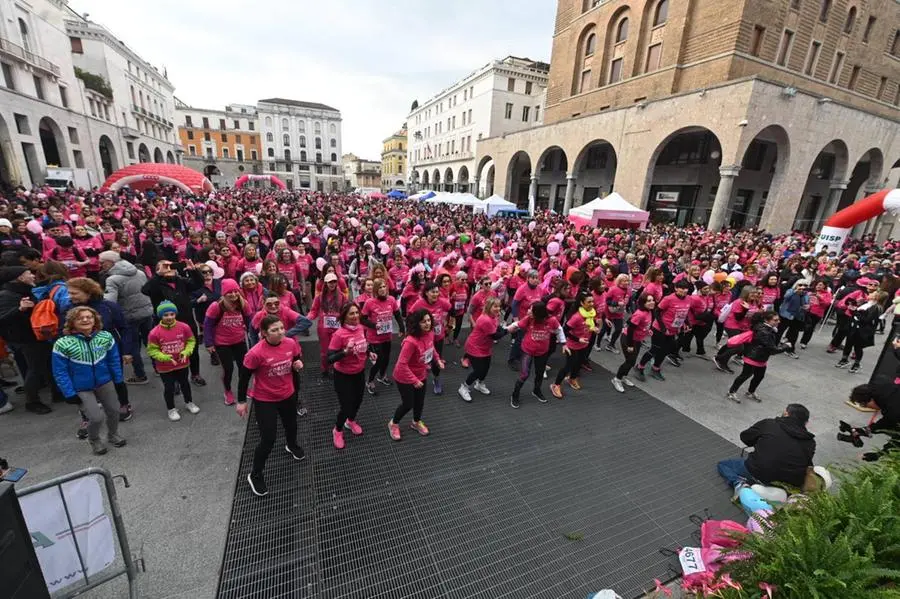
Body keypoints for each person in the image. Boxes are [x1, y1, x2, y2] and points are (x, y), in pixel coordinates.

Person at [236, 315, 305, 497]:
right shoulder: (255, 353)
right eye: (275, 330)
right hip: (265, 399)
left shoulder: (290, 343)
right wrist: (241, 402)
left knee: (292, 426)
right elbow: (244, 378)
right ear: (264, 333)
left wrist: (297, 365)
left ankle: (291, 445)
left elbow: (295, 360)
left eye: (281, 328)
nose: (280, 332)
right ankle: (255, 474)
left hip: (288, 394)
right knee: (268, 438)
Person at [51, 306, 126, 455]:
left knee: (115, 411)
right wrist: (68, 393)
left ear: (95, 319)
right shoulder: (62, 343)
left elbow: (114, 360)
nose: (85, 320)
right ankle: (94, 440)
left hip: (105, 381)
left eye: (89, 317)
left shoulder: (105, 337)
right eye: (80, 318)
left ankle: (112, 435)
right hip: (81, 387)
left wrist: (119, 381)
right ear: (72, 322)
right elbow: (60, 371)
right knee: (96, 417)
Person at [717, 404, 815, 491]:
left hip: (757, 472)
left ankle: (739, 484)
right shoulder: (811, 442)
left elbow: (745, 437)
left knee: (723, 465)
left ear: (786, 413)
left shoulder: (769, 424)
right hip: (787, 484)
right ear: (806, 423)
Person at [141, 259, 206, 386]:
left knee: (192, 349)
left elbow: (198, 284)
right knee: (170, 351)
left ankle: (195, 374)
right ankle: (175, 380)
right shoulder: (156, 284)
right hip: (167, 325)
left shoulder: (181, 281)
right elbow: (145, 290)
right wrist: (159, 275)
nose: (168, 269)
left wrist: (193, 271)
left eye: (171, 266)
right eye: (165, 266)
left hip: (187, 322)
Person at [0, 265, 52, 414]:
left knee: (42, 365)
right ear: (20, 277)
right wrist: (20, 309)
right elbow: (2, 319)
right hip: (24, 339)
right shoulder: (6, 295)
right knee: (34, 370)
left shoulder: (23, 290)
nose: (33, 276)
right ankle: (32, 402)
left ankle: (56, 393)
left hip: (34, 335)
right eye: (29, 273)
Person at [388, 308, 444, 441]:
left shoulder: (429, 333)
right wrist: (414, 380)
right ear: (417, 323)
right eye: (423, 321)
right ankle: (393, 423)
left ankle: (416, 422)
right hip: (404, 376)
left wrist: (437, 359)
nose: (427, 324)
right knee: (408, 404)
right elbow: (402, 364)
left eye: (429, 320)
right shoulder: (410, 342)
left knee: (419, 401)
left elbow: (432, 348)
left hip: (421, 374)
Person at [100, 251, 153, 384]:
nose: (101, 265)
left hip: (129, 316)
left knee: (133, 346)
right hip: (146, 311)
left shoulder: (112, 279)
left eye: (103, 262)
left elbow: (110, 301)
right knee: (150, 341)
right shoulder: (139, 272)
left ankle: (140, 375)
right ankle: (159, 368)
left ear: (111, 262)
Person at [327, 303, 374, 449]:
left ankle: (351, 421)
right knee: (346, 406)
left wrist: (369, 352)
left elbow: (364, 344)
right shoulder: (339, 335)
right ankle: (338, 429)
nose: (355, 316)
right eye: (351, 314)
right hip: (343, 375)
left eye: (356, 313)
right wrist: (345, 353)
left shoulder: (361, 328)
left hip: (359, 372)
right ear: (344, 317)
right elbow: (329, 359)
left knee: (358, 401)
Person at [147, 301, 199, 421]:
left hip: (182, 363)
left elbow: (191, 341)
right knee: (169, 387)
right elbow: (152, 350)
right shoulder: (154, 332)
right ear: (160, 316)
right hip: (165, 367)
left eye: (172, 314)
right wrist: (165, 357)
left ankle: (189, 402)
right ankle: (171, 409)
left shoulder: (184, 327)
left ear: (175, 314)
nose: (169, 317)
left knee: (185, 384)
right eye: (166, 315)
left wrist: (186, 352)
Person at [506, 301, 565, 407]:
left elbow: (559, 330)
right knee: (524, 374)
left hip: (542, 352)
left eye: (531, 310)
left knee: (540, 373)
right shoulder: (529, 319)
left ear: (539, 313)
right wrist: (507, 329)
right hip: (527, 350)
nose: (528, 311)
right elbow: (517, 324)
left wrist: (564, 343)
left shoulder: (551, 320)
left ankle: (536, 391)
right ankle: (515, 394)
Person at [204, 278, 250, 405]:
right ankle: (228, 391)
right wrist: (209, 343)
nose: (234, 294)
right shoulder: (216, 306)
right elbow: (207, 325)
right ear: (224, 293)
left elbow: (249, 321)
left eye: (235, 291)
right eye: (230, 292)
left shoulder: (243, 304)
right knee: (228, 369)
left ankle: (244, 388)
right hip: (222, 343)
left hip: (239, 340)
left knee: (244, 367)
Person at [637, 279, 693, 381]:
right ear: (676, 288)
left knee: (665, 350)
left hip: (673, 329)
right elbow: (657, 312)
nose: (684, 290)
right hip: (659, 328)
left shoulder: (689, 299)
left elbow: (685, 313)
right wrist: (663, 327)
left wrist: (687, 323)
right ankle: (640, 367)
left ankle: (655, 369)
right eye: (681, 288)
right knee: (654, 349)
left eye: (686, 288)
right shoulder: (668, 299)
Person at [726, 311, 788, 403]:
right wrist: (786, 347)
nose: (778, 321)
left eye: (778, 319)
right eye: (775, 320)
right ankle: (732, 391)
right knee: (745, 375)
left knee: (759, 376)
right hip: (753, 357)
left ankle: (750, 391)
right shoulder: (764, 332)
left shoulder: (768, 329)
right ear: (766, 320)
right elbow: (772, 349)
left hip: (760, 357)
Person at [458, 296, 508, 402]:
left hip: (485, 347)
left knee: (486, 368)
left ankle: (479, 384)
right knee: (478, 370)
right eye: (495, 306)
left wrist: (503, 328)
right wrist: (508, 330)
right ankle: (464, 387)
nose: (498, 309)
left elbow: (497, 328)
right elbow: (495, 336)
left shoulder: (494, 316)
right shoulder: (485, 319)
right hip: (474, 347)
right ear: (489, 307)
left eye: (499, 306)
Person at [360, 279, 404, 395]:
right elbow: (362, 319)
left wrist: (401, 327)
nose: (383, 289)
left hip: (387, 336)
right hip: (374, 338)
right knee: (378, 361)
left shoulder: (391, 300)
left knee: (386, 359)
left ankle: (382, 376)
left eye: (384, 286)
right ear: (375, 290)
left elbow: (397, 314)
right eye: (380, 287)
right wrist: (374, 325)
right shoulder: (370, 302)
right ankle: (369, 381)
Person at [549, 293, 596, 399]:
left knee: (578, 363)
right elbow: (565, 331)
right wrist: (578, 339)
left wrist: (593, 328)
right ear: (581, 303)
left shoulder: (590, 313)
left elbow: (589, 325)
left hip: (584, 344)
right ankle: (555, 385)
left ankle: (572, 378)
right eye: (589, 302)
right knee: (568, 366)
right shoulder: (576, 317)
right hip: (572, 345)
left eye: (592, 301)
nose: (592, 304)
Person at [409, 282, 452, 395]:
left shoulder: (442, 302)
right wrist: (413, 331)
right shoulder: (419, 303)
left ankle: (436, 379)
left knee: (436, 360)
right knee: (422, 358)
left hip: (438, 336)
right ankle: (418, 378)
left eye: (437, 292)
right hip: (423, 338)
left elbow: (451, 310)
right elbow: (410, 316)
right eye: (433, 292)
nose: (435, 294)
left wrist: (448, 323)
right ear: (426, 293)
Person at [843, 382, 900, 461]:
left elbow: (898, 437)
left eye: (864, 405)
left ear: (871, 400)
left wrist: (880, 454)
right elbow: (887, 421)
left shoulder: (893, 409)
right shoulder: (886, 391)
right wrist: (864, 430)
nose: (866, 407)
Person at [836, 289, 888, 374]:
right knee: (848, 343)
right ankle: (844, 359)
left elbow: (866, 319)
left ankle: (856, 364)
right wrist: (854, 309)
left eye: (873, 293)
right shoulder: (866, 303)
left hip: (863, 330)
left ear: (876, 297)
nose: (870, 294)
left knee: (858, 347)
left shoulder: (876, 308)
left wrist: (855, 311)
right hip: (854, 326)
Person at [611, 293, 655, 391]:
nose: (652, 302)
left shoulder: (649, 311)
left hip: (637, 340)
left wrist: (648, 330)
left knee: (632, 361)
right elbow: (630, 329)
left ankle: (623, 377)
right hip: (628, 339)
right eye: (649, 301)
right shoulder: (640, 314)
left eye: (652, 300)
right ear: (643, 303)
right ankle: (617, 379)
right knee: (629, 361)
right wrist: (630, 345)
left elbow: (636, 323)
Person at [776, 280, 809, 357]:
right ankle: (774, 345)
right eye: (800, 285)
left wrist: (807, 306)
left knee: (794, 333)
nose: (802, 287)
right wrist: (795, 291)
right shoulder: (790, 291)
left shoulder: (805, 294)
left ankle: (790, 349)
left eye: (805, 285)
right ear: (796, 284)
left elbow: (806, 303)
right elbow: (786, 297)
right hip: (786, 314)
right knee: (780, 330)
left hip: (797, 316)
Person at [799, 279, 832, 349]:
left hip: (816, 314)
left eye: (820, 285)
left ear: (824, 286)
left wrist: (819, 297)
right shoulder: (811, 291)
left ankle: (804, 342)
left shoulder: (827, 294)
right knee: (799, 325)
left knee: (810, 328)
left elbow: (827, 304)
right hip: (806, 311)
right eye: (817, 284)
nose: (818, 286)